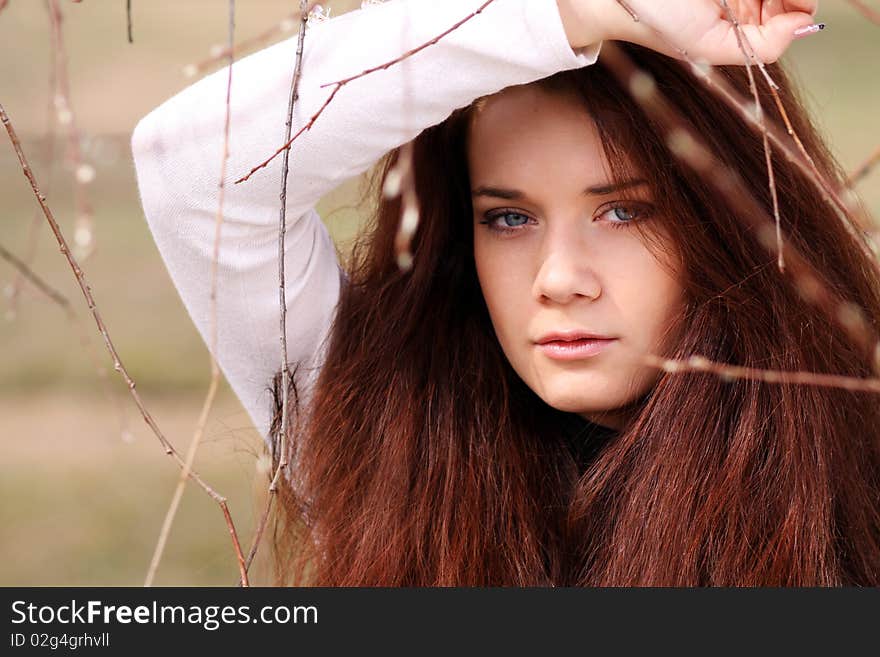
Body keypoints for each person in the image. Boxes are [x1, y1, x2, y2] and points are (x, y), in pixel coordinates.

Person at [132, 0, 880, 586]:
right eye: (510, 217)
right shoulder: (388, 423)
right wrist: (567, 14)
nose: (558, 280)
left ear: (726, 223)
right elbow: (194, 168)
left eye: (622, 211)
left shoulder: (849, 460)